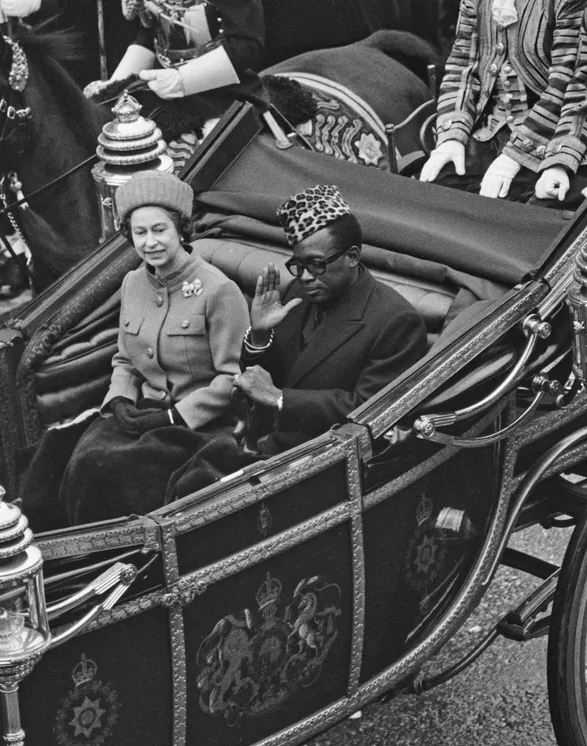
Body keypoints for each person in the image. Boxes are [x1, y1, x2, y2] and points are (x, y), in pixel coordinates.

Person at [57, 170, 250, 526]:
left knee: (111, 471)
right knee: (76, 459)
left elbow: (233, 378)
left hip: (200, 426)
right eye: (139, 233)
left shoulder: (218, 290)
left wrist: (176, 416)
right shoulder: (132, 283)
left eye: (159, 230)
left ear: (181, 229)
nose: (150, 243)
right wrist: (118, 400)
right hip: (141, 414)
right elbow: (124, 359)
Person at [230, 184, 429, 455]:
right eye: (298, 265)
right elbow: (269, 377)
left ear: (352, 257)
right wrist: (260, 336)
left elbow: (370, 410)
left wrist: (280, 399)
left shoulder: (396, 320)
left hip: (323, 458)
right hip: (264, 441)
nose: (305, 276)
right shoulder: (298, 292)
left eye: (317, 264)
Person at [420, 0, 587, 207]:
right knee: (436, 187)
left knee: (539, 209)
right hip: (491, 129)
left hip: (553, 131)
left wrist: (518, 155)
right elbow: (462, 66)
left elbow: (567, 83)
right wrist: (452, 137)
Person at [83, 0, 266, 121]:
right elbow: (150, 35)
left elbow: (248, 45)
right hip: (168, 98)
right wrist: (114, 88)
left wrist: (182, 80)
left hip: (227, 97)